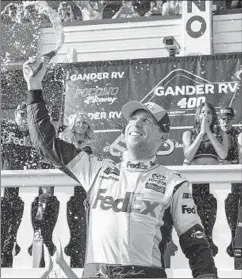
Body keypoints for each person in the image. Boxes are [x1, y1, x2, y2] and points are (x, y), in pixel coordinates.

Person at [24, 56, 218, 278]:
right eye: (133, 119)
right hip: (97, 274)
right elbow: (45, 143)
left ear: (163, 138)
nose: (136, 123)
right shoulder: (97, 169)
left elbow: (195, 242)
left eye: (147, 120)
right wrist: (34, 87)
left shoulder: (174, 182)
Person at [182, 102, 228, 256]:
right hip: (196, 184)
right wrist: (201, 134)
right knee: (197, 218)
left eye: (209, 112)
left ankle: (213, 251)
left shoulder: (221, 134)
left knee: (214, 218)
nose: (205, 115)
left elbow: (222, 154)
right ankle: (199, 250)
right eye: (203, 112)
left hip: (215, 184)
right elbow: (188, 155)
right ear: (198, 115)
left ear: (213, 116)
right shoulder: (189, 134)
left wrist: (209, 133)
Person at [1, 102, 42, 267]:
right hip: (8, 187)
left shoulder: (37, 133)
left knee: (32, 223)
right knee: (6, 226)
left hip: (30, 188)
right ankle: (5, 263)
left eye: (28, 116)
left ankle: (32, 262)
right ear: (15, 115)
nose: (25, 119)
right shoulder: (5, 129)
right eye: (22, 115)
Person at [218, 107, 242, 257]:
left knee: (235, 212)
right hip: (216, 181)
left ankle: (235, 242)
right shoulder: (214, 134)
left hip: (235, 180)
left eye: (228, 118)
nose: (225, 121)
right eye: (222, 118)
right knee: (222, 212)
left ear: (232, 119)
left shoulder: (237, 134)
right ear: (219, 119)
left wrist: (231, 163)